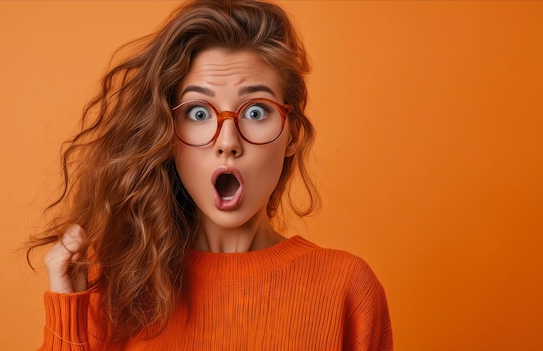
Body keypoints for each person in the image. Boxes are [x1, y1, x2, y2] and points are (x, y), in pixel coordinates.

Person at [27, 0, 393, 350]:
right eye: (199, 113)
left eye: (255, 112)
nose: (228, 143)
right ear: (167, 134)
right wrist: (68, 317)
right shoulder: (112, 287)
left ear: (292, 135)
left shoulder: (346, 288)